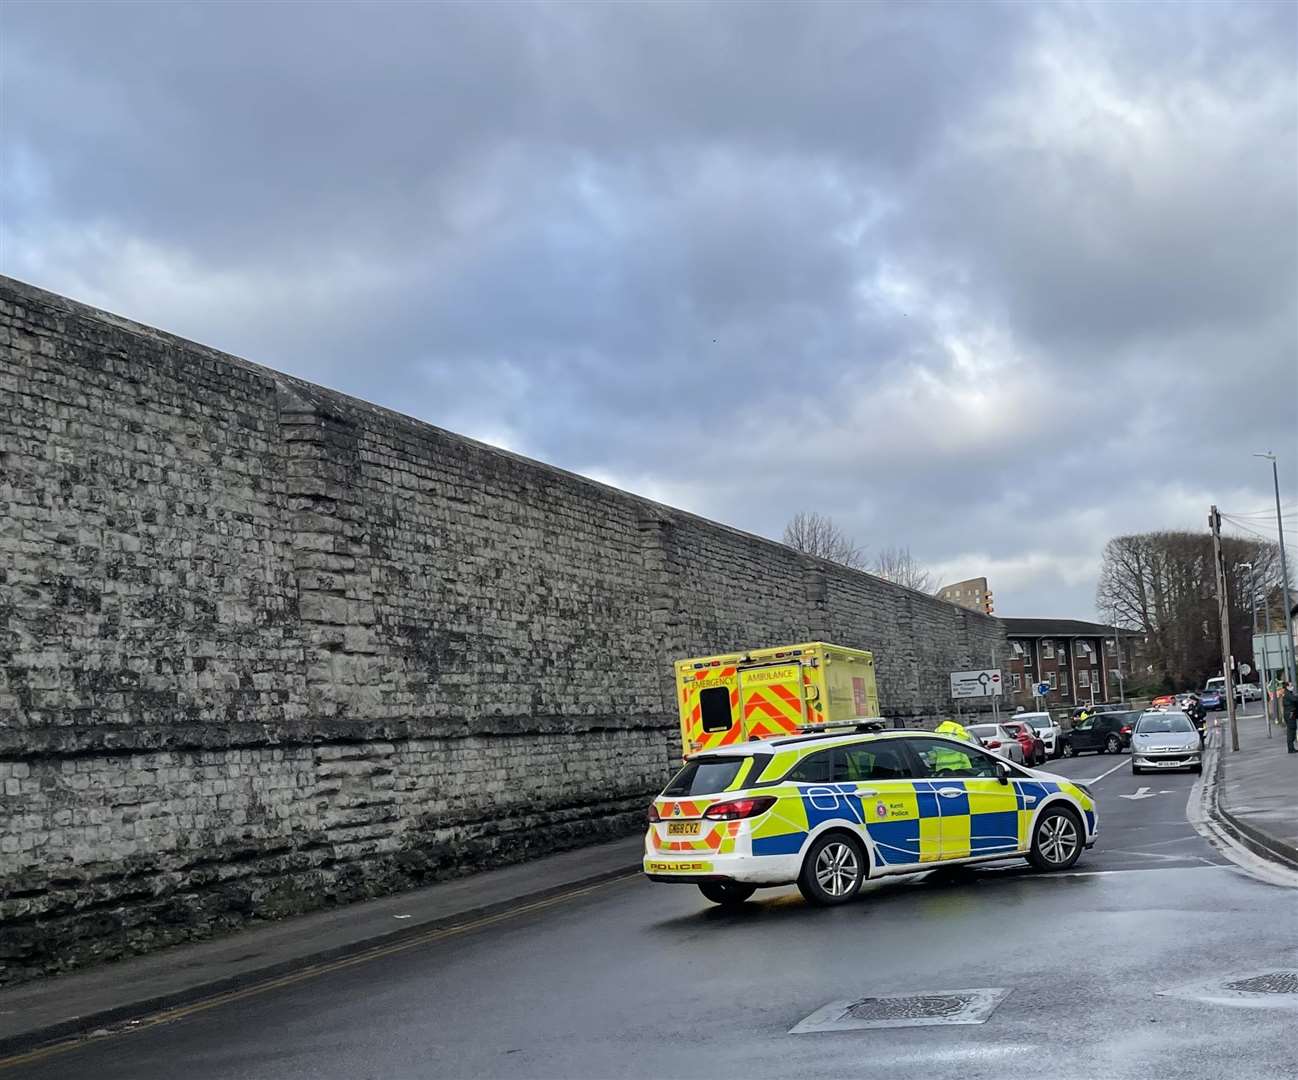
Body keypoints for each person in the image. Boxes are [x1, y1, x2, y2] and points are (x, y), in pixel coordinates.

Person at [1283, 681, 1297, 754]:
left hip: (1290, 714)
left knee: (1292, 730)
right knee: (1291, 731)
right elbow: (1294, 699)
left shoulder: (1288, 693)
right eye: (1291, 685)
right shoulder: (1287, 694)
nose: (1292, 687)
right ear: (1287, 687)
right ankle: (1291, 749)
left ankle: (1291, 748)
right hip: (1290, 714)